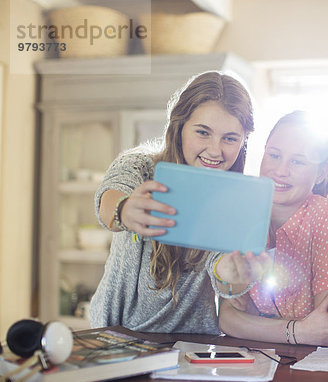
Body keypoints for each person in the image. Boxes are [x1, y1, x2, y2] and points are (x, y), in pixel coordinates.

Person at [89, 71, 256, 333]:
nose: (215, 150)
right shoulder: (140, 165)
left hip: (190, 346)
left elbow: (221, 271)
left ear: (243, 140)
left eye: (230, 138)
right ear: (179, 127)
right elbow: (108, 203)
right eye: (203, 132)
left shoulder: (234, 202)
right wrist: (125, 209)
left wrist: (233, 277)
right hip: (115, 336)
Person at [212, 111, 328, 346]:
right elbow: (228, 320)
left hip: (310, 366)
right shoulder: (241, 212)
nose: (281, 171)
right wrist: (297, 331)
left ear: (321, 172)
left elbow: (326, 325)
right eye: (274, 155)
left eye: (298, 161)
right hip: (250, 361)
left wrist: (255, 325)